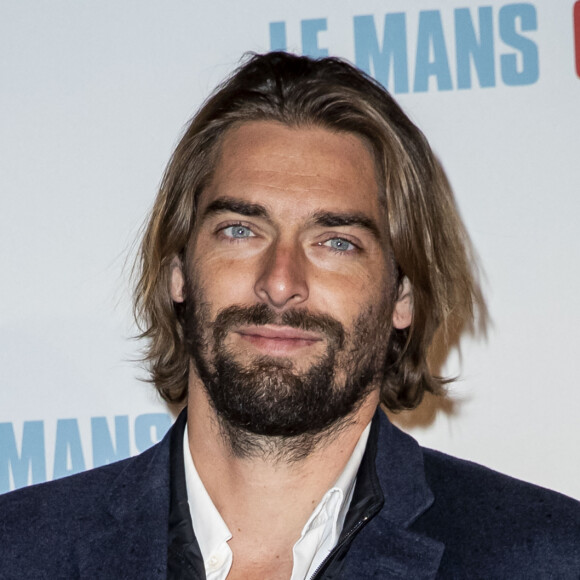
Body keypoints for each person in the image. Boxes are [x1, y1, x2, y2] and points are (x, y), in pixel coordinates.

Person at [1, 51, 579, 579]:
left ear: (403, 294)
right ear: (178, 269)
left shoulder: (548, 557)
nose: (280, 282)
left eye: (336, 242)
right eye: (240, 230)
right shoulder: (18, 550)